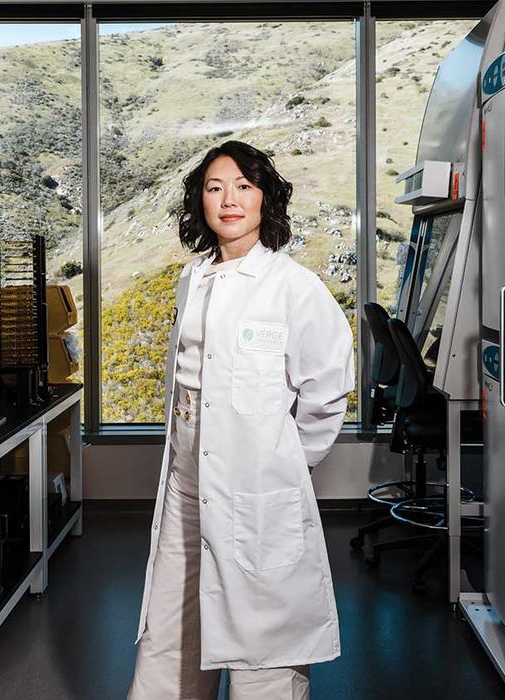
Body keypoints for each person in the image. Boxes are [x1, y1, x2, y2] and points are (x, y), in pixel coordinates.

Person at [127, 140, 354, 699]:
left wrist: (283, 464)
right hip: (185, 483)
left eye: (243, 187)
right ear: (199, 202)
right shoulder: (192, 279)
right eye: (214, 187)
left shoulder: (292, 286)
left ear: (264, 200)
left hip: (258, 492)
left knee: (263, 650)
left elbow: (327, 392)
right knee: (170, 627)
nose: (229, 200)